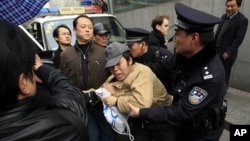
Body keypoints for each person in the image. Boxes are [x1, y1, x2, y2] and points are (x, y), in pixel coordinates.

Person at [128, 3, 227, 141]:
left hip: (200, 134)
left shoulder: (209, 77)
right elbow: (161, 67)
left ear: (194, 38)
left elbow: (179, 112)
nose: (174, 38)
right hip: (183, 127)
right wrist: (129, 69)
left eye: (178, 33)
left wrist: (142, 112)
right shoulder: (185, 56)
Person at [0, 19, 88, 140]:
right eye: (31, 70)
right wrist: (41, 68)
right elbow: (70, 95)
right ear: (23, 84)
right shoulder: (61, 127)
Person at [102, 42, 175, 141]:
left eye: (118, 64)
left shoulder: (142, 72)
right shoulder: (114, 77)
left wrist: (116, 100)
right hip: (140, 124)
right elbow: (102, 90)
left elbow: (141, 103)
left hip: (161, 122)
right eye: (111, 67)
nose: (115, 69)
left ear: (130, 60)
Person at [60, 15, 114, 141]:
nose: (87, 30)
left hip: (103, 104)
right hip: (81, 105)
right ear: (74, 30)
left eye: (90, 27)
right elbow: (64, 80)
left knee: (108, 136)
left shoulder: (104, 52)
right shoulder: (66, 55)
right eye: (83, 27)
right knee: (92, 137)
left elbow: (112, 76)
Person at [125, 27, 174, 93]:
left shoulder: (163, 56)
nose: (129, 48)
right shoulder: (129, 58)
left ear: (143, 45)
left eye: (130, 46)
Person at [215, 0, 248, 87]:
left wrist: (228, 52)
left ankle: (222, 93)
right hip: (217, 50)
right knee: (215, 72)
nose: (229, 8)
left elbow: (238, 39)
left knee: (224, 74)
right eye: (228, 6)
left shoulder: (242, 20)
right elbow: (218, 33)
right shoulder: (224, 17)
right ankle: (215, 90)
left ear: (238, 6)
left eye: (232, 6)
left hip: (226, 54)